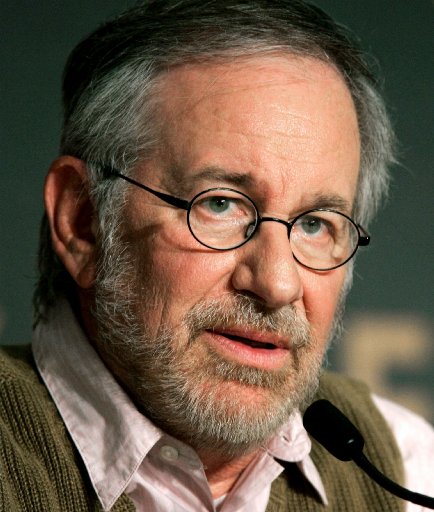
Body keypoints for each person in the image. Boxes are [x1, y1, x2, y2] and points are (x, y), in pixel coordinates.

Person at [1, 1, 433, 510]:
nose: (277, 284)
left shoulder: (406, 469)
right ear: (83, 221)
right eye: (221, 204)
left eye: (315, 224)